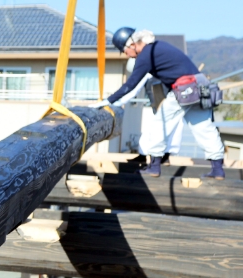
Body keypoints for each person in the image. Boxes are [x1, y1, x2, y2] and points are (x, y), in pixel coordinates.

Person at [90, 27, 225, 179]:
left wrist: (107, 101)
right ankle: (218, 170)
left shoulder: (146, 54)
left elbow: (131, 84)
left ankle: (154, 167)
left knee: (159, 124)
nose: (127, 55)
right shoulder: (159, 47)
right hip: (201, 86)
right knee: (204, 127)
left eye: (124, 51)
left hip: (185, 88)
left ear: (132, 45)